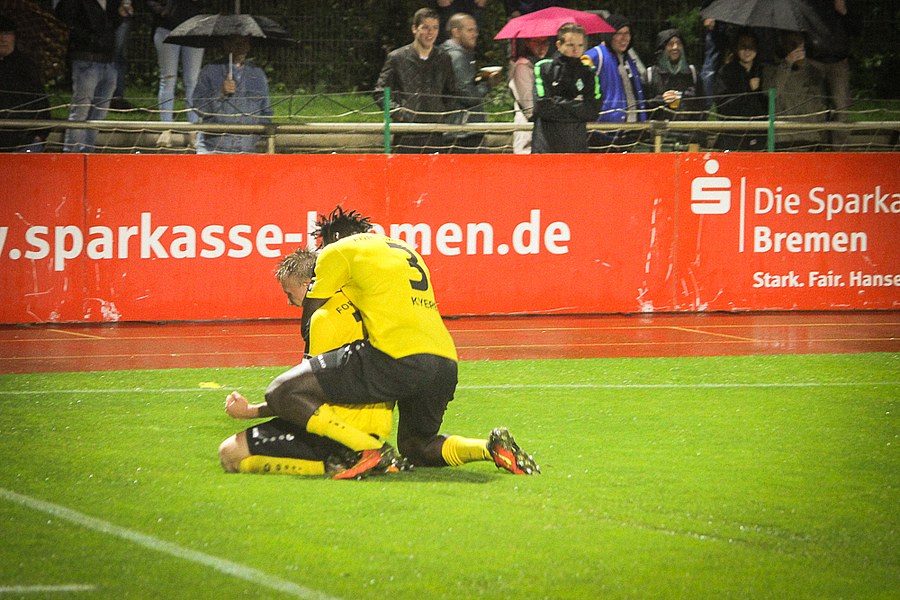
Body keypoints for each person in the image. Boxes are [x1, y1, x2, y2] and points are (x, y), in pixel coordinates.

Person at [225, 206, 540, 480]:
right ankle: (489, 448)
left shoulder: (336, 260)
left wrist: (254, 409)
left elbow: (311, 314)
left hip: (394, 358)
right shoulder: (402, 250)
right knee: (416, 445)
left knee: (281, 392)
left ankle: (367, 451)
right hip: (444, 359)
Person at [219, 247, 397, 476]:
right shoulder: (365, 303)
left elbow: (304, 395)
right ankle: (362, 454)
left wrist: (249, 411)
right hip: (376, 423)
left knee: (230, 454)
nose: (289, 302)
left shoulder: (322, 320)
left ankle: (347, 460)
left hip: (338, 428)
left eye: (289, 293)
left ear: (307, 285)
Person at [374, 8, 459, 154]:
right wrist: (400, 113)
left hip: (435, 134)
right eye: (425, 28)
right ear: (414, 29)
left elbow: (451, 93)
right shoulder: (396, 58)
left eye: (435, 28)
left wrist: (443, 113)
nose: (430, 33)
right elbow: (380, 93)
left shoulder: (444, 58)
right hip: (406, 135)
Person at [55, 0, 124, 152]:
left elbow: (109, 26)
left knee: (98, 114)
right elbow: (65, 20)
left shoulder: (111, 3)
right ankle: (72, 155)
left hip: (107, 61)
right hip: (86, 59)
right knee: (81, 111)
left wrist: (120, 16)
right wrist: (89, 39)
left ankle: (87, 152)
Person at [192, 35, 273, 154]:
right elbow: (198, 107)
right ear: (226, 45)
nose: (241, 47)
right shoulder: (209, 71)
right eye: (237, 43)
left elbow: (266, 112)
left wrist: (256, 137)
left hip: (247, 150)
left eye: (245, 42)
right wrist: (220, 93)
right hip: (213, 149)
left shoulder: (258, 75)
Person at [530, 23, 601, 154]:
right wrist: (577, 108)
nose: (576, 50)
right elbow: (542, 107)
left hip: (577, 148)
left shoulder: (589, 72)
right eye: (570, 45)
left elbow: (593, 111)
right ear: (559, 45)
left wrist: (558, 101)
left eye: (580, 45)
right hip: (546, 149)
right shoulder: (543, 67)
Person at [583, 14, 648, 152]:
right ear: (609, 34)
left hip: (630, 132)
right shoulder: (594, 56)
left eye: (627, 33)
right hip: (602, 132)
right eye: (619, 33)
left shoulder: (628, 59)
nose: (624, 38)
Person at [439, 12, 499, 153]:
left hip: (458, 129)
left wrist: (478, 80)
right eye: (470, 30)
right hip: (465, 133)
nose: (475, 34)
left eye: (475, 30)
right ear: (456, 32)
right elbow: (469, 96)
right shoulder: (457, 57)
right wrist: (487, 83)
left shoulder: (447, 53)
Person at [806, 0, 861, 149]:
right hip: (813, 59)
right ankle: (814, 146)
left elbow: (857, 30)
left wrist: (844, 12)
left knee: (841, 108)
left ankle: (839, 151)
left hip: (839, 61)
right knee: (812, 106)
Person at [763, 31, 828, 150]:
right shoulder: (771, 69)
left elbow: (820, 104)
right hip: (783, 137)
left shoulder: (812, 71)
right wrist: (787, 63)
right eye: (794, 47)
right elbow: (771, 92)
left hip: (809, 137)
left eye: (801, 47)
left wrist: (820, 134)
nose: (798, 51)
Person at [645, 28, 704, 150]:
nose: (675, 47)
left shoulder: (692, 73)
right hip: (660, 141)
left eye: (679, 43)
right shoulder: (650, 74)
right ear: (662, 47)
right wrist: (661, 100)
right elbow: (643, 107)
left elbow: (703, 105)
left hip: (689, 140)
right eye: (670, 44)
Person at [148, 0, 205, 123]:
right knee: (168, 78)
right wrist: (163, 11)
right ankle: (166, 126)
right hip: (166, 26)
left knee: (192, 80)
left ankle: (193, 125)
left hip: (194, 26)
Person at [0, 15, 51, 152]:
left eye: (6, 34)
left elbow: (41, 102)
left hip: (24, 143)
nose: (2, 39)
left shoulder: (27, 66)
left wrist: (40, 136)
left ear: (14, 37)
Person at [713, 29, 767, 151]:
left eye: (751, 46)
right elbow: (722, 105)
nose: (747, 50)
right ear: (736, 48)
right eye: (743, 46)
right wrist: (748, 88)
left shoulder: (762, 71)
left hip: (758, 136)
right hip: (733, 137)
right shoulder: (726, 72)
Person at [508, 35, 549, 153]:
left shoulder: (544, 65)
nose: (542, 47)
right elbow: (529, 108)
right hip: (529, 136)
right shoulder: (522, 67)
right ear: (526, 43)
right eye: (537, 42)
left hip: (545, 135)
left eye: (545, 42)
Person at [109, 0, 133, 110]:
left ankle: (117, 96)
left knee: (119, 58)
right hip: (111, 13)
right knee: (115, 57)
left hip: (123, 14)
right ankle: (111, 96)